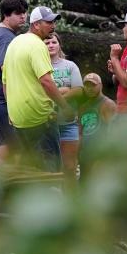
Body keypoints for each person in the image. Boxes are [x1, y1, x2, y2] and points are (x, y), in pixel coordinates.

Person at [2, 6, 75, 171]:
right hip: (40, 117)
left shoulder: (14, 42)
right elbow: (47, 82)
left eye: (53, 22)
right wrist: (65, 106)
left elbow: (5, 82)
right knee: (50, 170)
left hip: (18, 117)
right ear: (36, 24)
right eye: (48, 22)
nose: (53, 26)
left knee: (30, 170)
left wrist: (10, 109)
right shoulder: (37, 45)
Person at [0, 0, 29, 168]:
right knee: (18, 155)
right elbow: (6, 69)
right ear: (6, 15)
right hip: (4, 103)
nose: (23, 16)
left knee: (3, 153)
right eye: (18, 13)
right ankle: (12, 194)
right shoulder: (6, 37)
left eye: (24, 12)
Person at [45, 31, 83, 185]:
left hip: (68, 123)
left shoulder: (70, 66)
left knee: (70, 166)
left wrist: (55, 94)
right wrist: (65, 90)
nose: (50, 45)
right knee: (50, 167)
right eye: (46, 43)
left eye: (53, 42)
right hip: (46, 124)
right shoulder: (39, 66)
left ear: (59, 44)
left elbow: (78, 90)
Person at [74, 72, 117, 178]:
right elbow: (79, 133)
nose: (89, 88)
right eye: (87, 85)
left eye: (93, 85)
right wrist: (76, 156)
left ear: (100, 85)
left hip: (100, 156)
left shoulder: (108, 104)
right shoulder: (83, 107)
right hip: (85, 155)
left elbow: (113, 134)